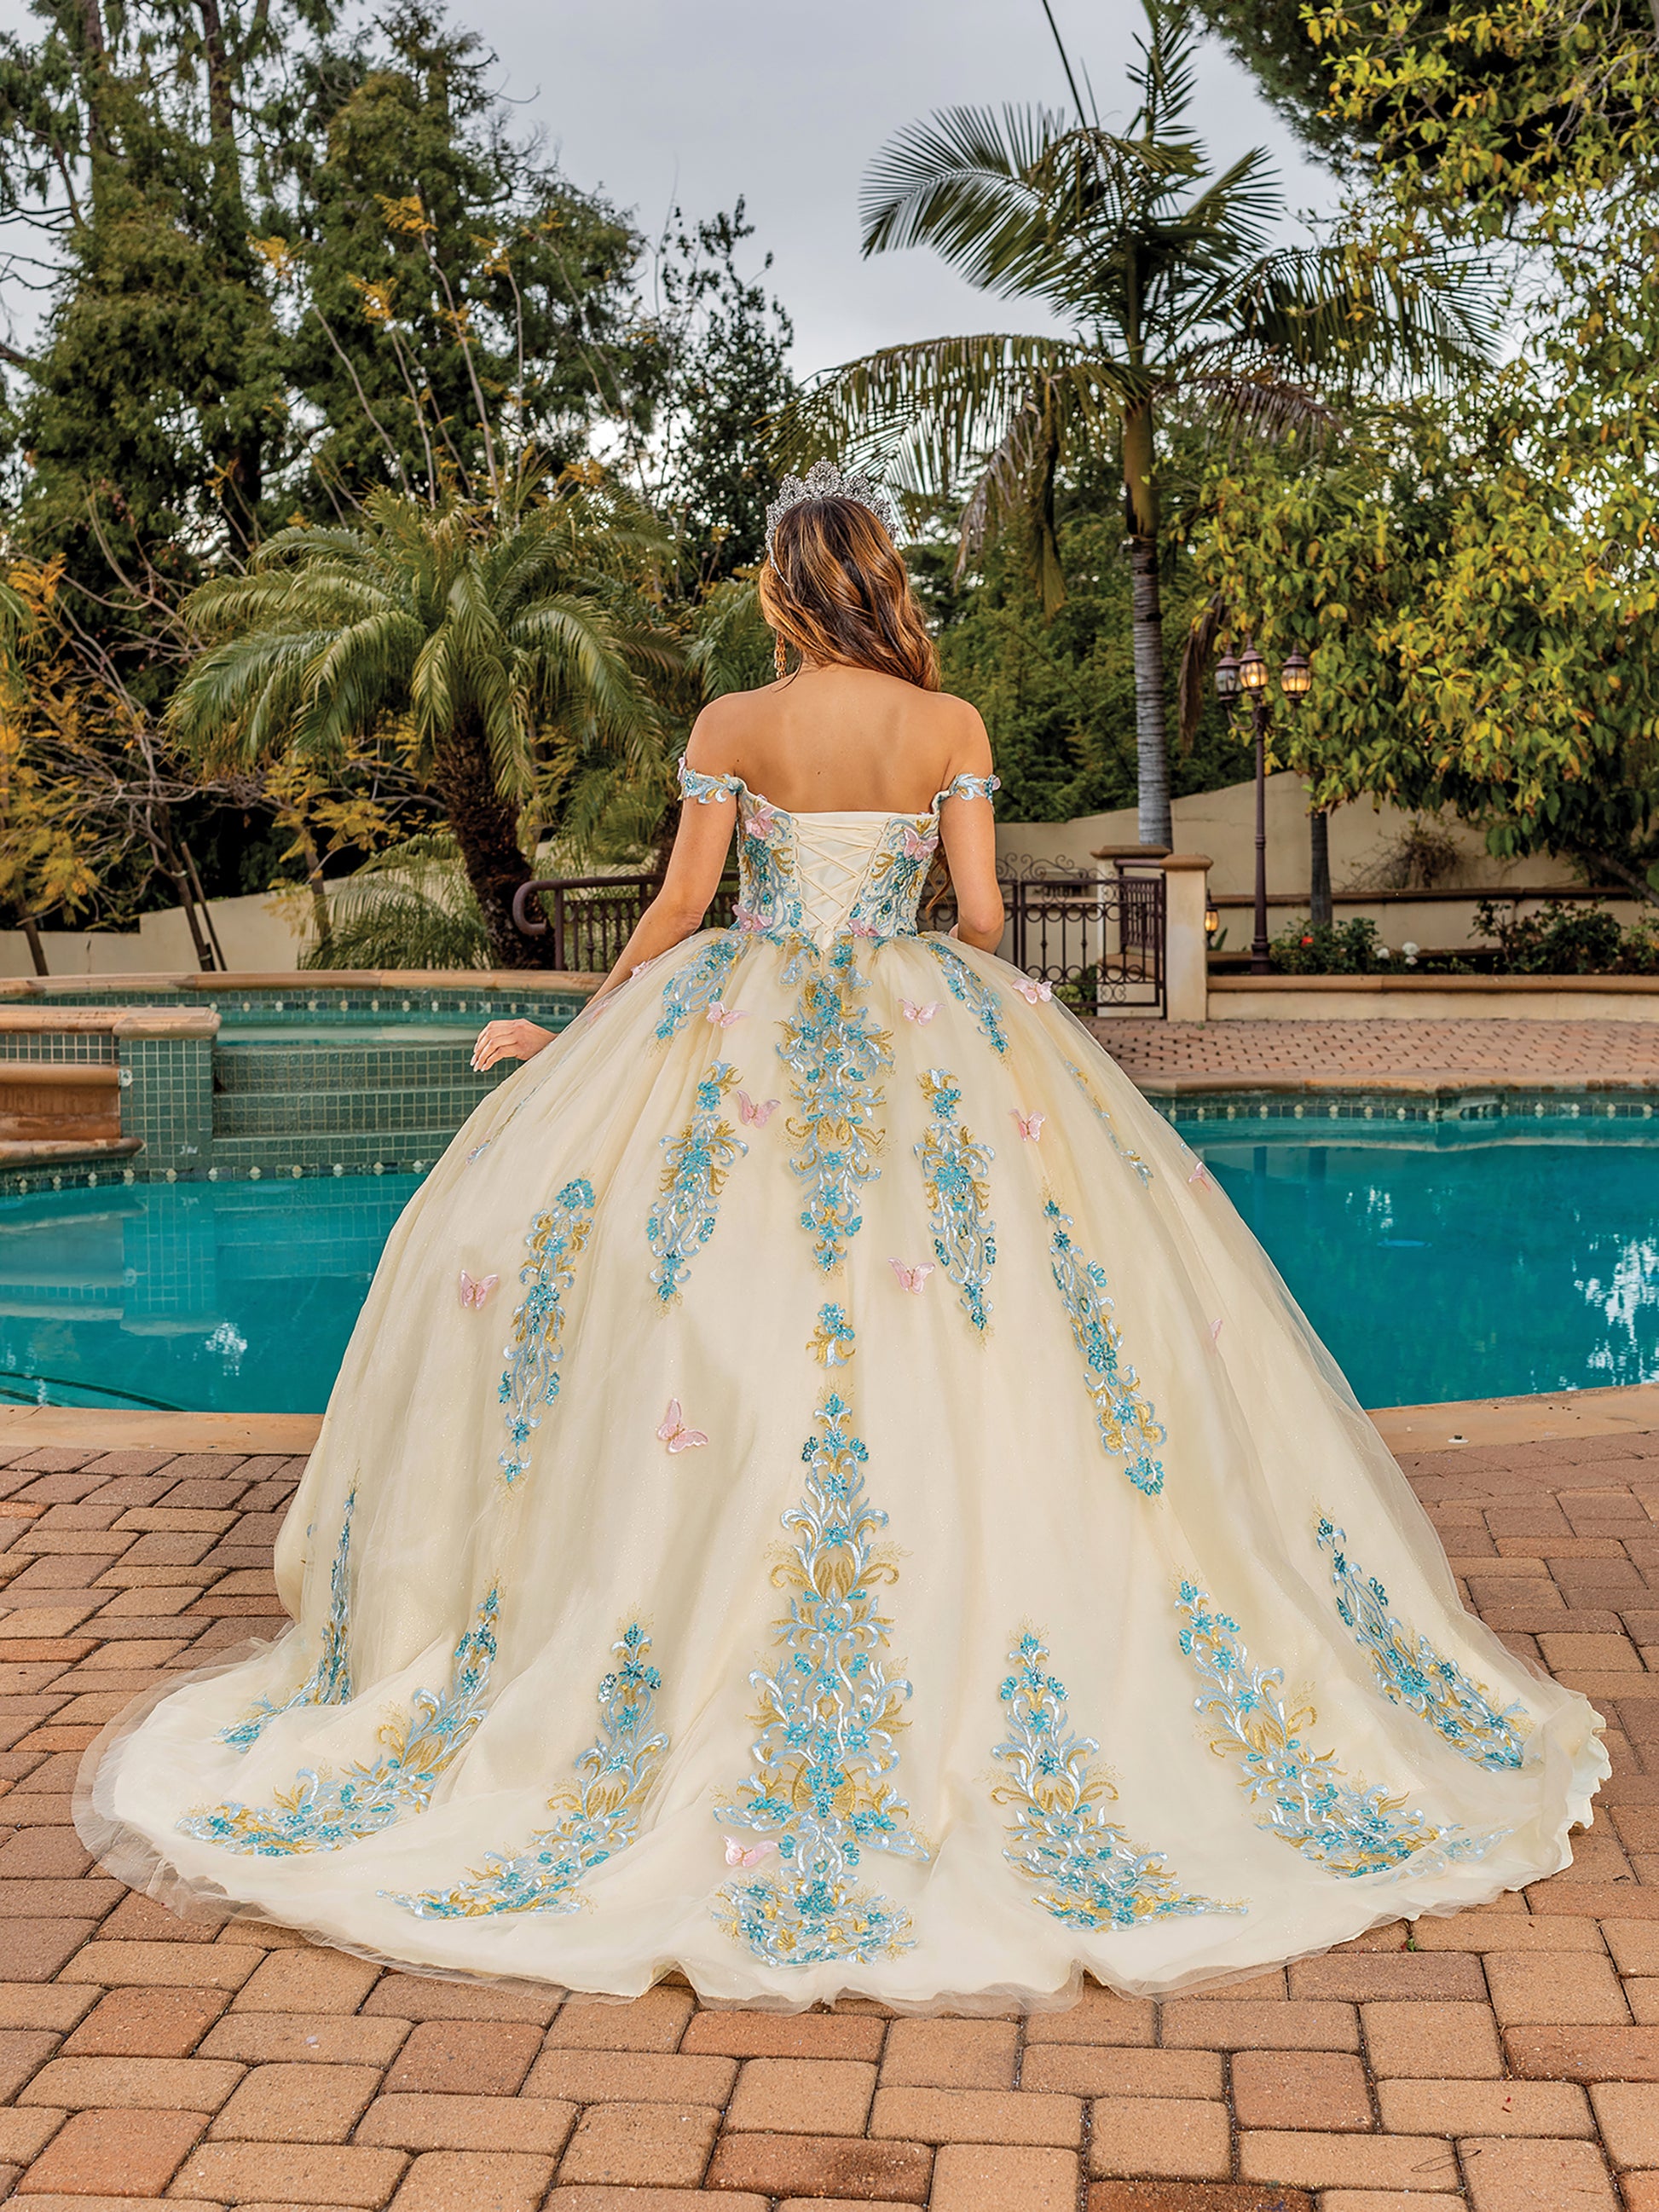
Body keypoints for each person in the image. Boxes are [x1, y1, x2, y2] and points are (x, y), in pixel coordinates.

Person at [78, 462, 1604, 2009]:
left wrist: (578, 1027)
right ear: (878, 581)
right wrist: (934, 975)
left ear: (781, 589)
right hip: (920, 1017)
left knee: (698, 1311)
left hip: (735, 1021)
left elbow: (677, 909)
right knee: (1004, 1314)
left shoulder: (734, 726)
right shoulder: (947, 730)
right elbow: (990, 920)